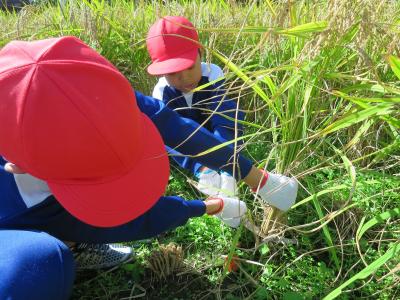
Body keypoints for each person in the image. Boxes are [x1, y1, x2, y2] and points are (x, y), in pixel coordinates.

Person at [0, 36, 296, 299]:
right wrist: (206, 207)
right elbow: (124, 220)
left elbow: (173, 125)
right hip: (11, 224)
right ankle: (69, 245)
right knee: (40, 263)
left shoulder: (81, 85)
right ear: (18, 166)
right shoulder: (19, 197)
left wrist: (254, 175)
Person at [146, 16, 245, 197]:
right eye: (173, 73)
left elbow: (223, 119)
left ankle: (228, 168)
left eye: (190, 67)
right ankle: (204, 171)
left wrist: (225, 159)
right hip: (186, 144)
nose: (185, 78)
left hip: (215, 137)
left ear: (200, 53)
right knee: (161, 135)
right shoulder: (161, 92)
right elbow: (171, 136)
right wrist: (201, 165)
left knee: (231, 112)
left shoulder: (213, 74)